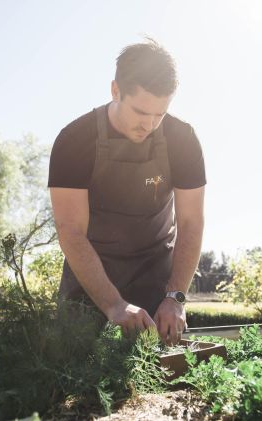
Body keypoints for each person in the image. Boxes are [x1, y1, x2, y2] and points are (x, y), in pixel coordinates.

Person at [48, 38, 206, 345]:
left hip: (156, 274)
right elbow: (70, 231)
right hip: (90, 276)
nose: (148, 124)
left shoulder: (183, 139)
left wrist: (175, 297)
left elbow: (191, 223)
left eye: (159, 114)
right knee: (74, 372)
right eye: (140, 112)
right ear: (115, 90)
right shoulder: (74, 141)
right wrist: (113, 304)